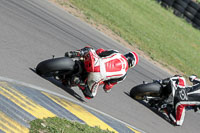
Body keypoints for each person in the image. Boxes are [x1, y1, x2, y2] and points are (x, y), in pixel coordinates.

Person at [65, 46, 139, 99]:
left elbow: (100, 52)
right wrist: (107, 89)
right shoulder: (123, 75)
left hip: (96, 62)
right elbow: (108, 86)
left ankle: (76, 53)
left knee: (90, 49)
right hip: (97, 76)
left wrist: (96, 54)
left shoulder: (116, 53)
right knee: (90, 95)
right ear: (131, 65)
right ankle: (78, 81)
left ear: (127, 54)